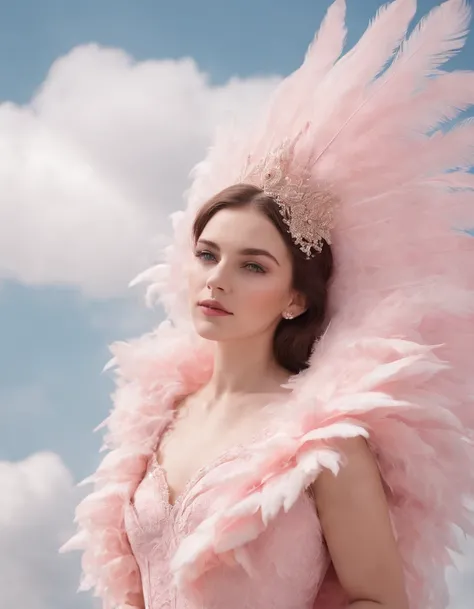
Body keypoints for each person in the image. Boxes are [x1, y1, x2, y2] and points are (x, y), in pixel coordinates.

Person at [61, 1, 474, 608]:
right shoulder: (154, 419)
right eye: (208, 254)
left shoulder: (326, 441)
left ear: (295, 298)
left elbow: (380, 601)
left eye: (254, 265)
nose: (218, 279)